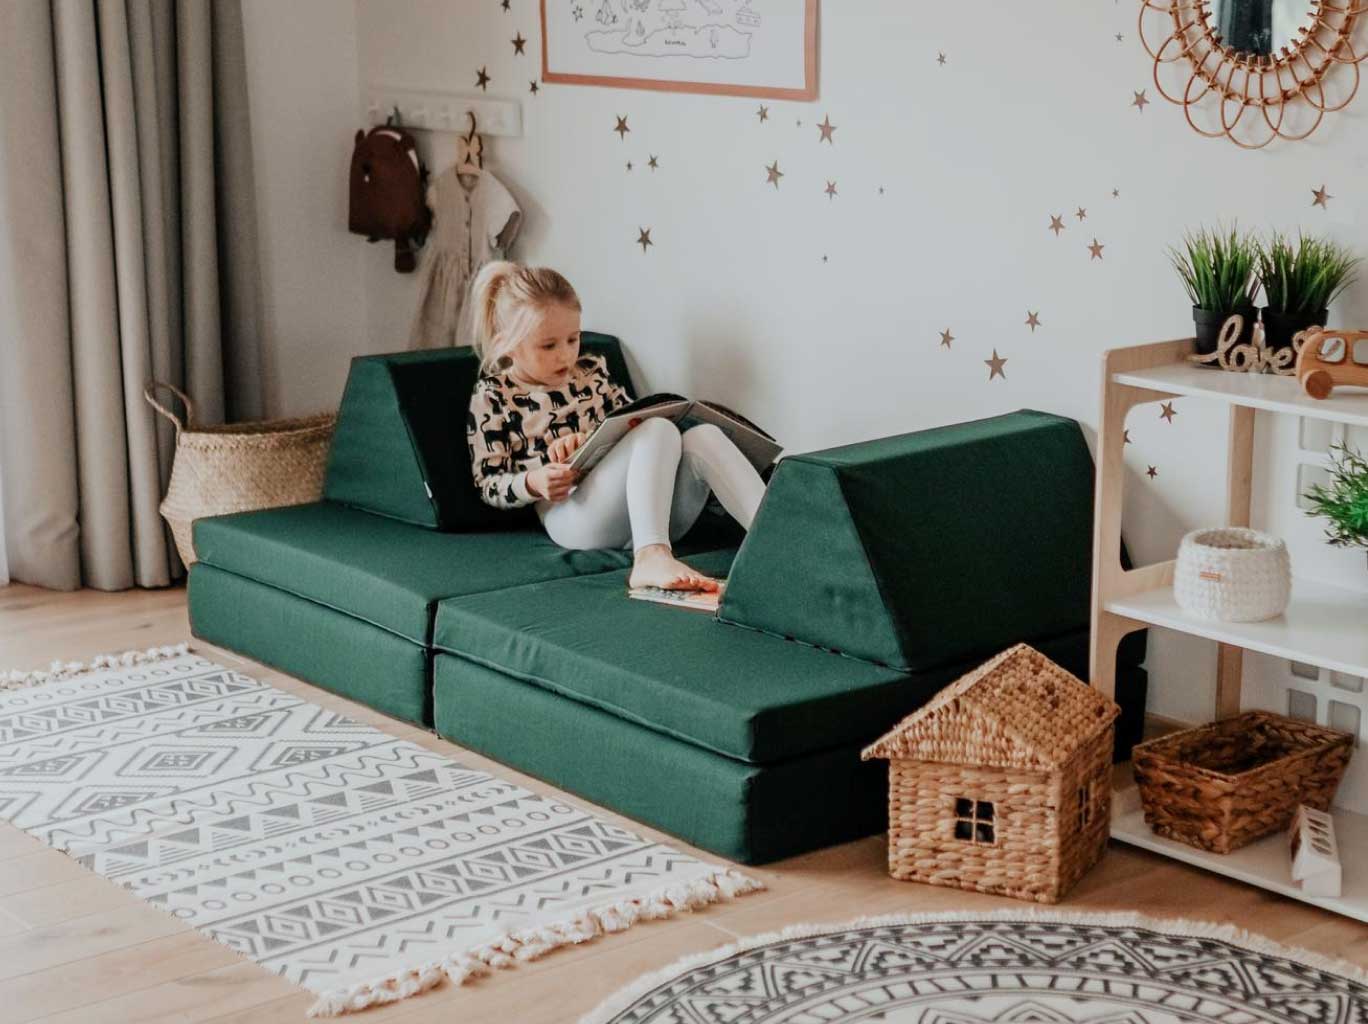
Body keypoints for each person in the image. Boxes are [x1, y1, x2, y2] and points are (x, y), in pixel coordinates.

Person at [466, 261, 767, 592]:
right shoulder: (494, 395)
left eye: (573, 339)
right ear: (507, 343)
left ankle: (782, 541)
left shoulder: (593, 373)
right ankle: (651, 557)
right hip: (572, 515)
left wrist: (592, 442)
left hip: (643, 510)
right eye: (548, 345)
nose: (565, 355)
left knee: (704, 436)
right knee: (657, 430)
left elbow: (630, 432)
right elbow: (487, 483)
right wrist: (534, 482)